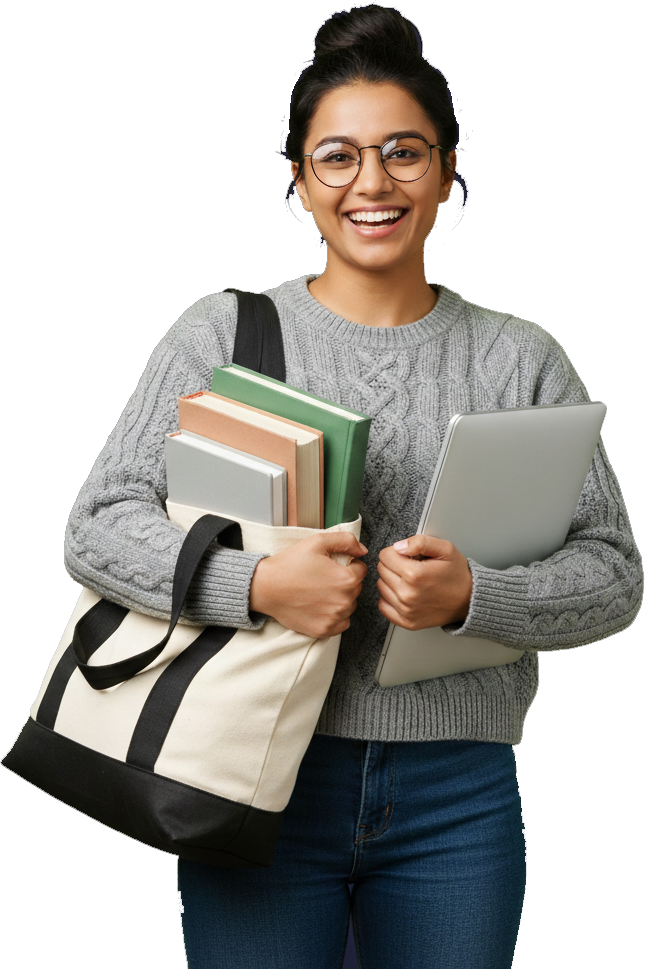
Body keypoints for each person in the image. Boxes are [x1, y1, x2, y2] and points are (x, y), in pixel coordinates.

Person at [59, 5, 642, 968]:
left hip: (458, 795)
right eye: (337, 157)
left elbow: (614, 573)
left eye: (404, 152)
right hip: (250, 773)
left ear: (449, 167)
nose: (372, 183)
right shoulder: (220, 335)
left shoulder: (520, 359)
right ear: (298, 177)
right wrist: (254, 583)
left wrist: (473, 594)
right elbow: (97, 524)